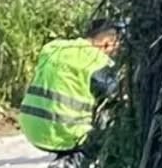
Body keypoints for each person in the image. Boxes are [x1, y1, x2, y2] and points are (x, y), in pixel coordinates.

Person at [17, 21, 122, 155]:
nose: (117, 52)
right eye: (117, 46)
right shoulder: (98, 62)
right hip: (67, 136)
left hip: (31, 129)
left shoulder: (53, 48)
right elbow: (115, 94)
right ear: (107, 42)